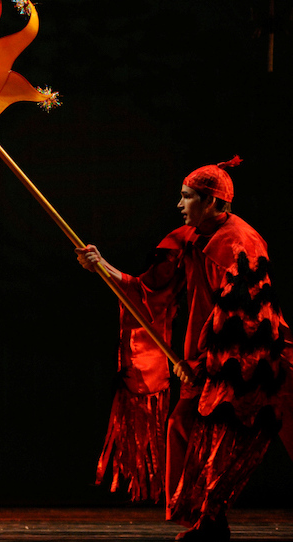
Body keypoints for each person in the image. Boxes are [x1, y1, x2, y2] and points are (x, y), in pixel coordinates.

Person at [76, 157, 291, 541]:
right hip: (209, 361)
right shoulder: (191, 239)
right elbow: (152, 291)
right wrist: (102, 266)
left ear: (212, 203)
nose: (179, 204)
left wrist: (205, 363)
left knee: (227, 438)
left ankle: (210, 521)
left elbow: (249, 321)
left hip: (252, 361)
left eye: (187, 197)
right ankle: (207, 521)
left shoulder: (241, 246)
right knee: (183, 425)